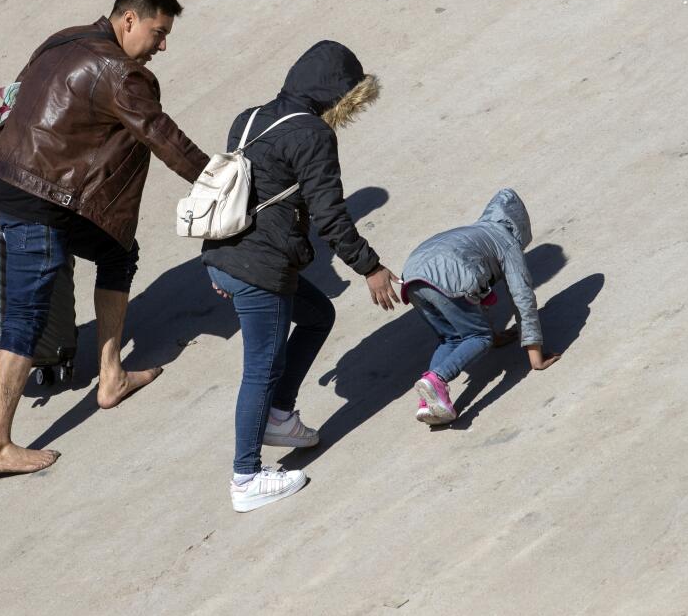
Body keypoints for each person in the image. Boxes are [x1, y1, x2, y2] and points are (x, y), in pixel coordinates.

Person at [0, 0, 210, 475]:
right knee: (27, 313)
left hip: (14, 177)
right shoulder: (121, 74)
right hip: (40, 197)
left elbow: (13, 96)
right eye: (158, 32)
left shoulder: (64, 39)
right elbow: (161, 136)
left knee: (117, 251)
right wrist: (217, 179)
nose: (162, 45)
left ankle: (111, 375)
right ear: (129, 20)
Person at [201, 40, 400, 512]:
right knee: (260, 369)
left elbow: (234, 192)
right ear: (338, 95)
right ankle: (246, 478)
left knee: (316, 315)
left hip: (225, 256)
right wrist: (370, 267)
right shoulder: (312, 135)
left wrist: (222, 260)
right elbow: (331, 216)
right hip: (259, 268)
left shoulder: (247, 118)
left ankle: (279, 415)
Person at [400, 188, 558, 426]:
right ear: (520, 225)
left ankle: (429, 403)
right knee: (478, 336)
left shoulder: (475, 232)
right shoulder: (506, 241)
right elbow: (522, 296)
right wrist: (536, 356)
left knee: (450, 338)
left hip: (412, 275)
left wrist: (497, 335)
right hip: (444, 275)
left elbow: (473, 288)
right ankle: (437, 379)